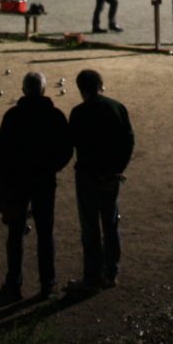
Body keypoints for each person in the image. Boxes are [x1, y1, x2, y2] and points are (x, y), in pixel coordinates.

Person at [0, 72, 73, 301]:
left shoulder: (13, 116)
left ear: (23, 90)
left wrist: (0, 182)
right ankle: (47, 284)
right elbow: (66, 150)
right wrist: (52, 168)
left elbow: (2, 151)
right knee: (45, 233)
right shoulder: (55, 116)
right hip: (44, 181)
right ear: (44, 90)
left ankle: (14, 284)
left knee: (15, 234)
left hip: (17, 182)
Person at [66, 69, 134, 294]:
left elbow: (71, 143)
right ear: (100, 85)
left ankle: (92, 276)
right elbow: (128, 141)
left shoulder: (78, 113)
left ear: (80, 89)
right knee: (110, 223)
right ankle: (111, 272)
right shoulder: (117, 107)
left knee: (90, 227)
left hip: (87, 175)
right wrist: (118, 168)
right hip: (110, 175)